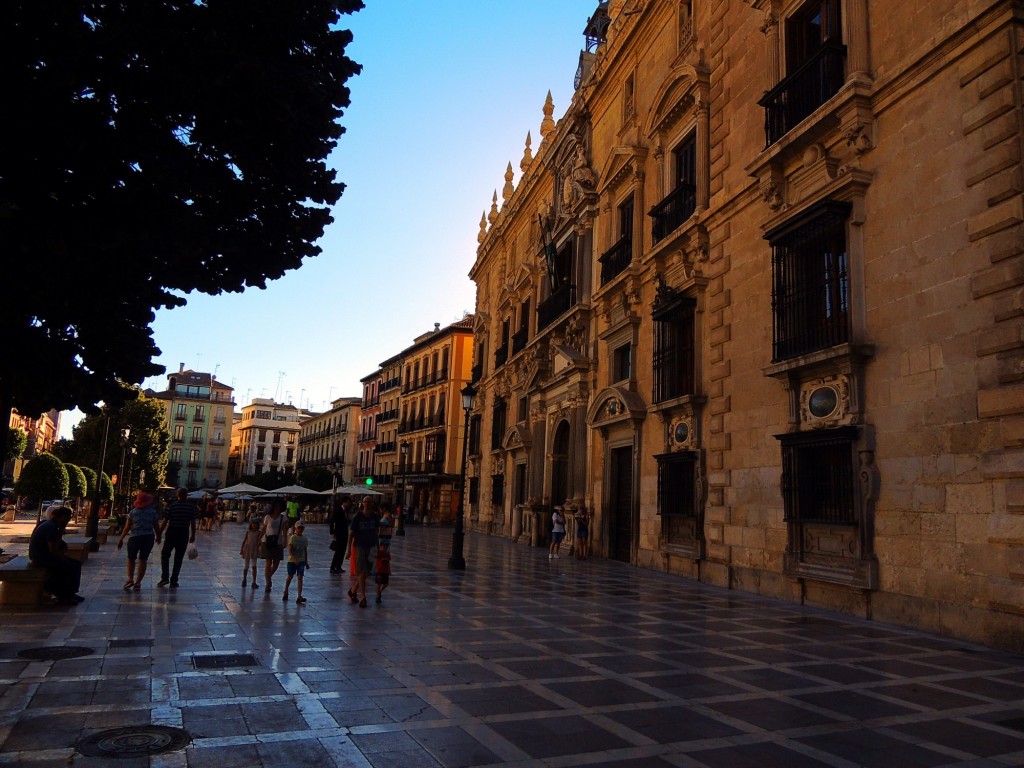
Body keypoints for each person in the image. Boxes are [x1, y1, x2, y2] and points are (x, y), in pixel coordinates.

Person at [29, 505, 83, 605]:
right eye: (67, 518)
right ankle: (63, 596)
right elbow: (53, 549)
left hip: (42, 556)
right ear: (62, 516)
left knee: (76, 564)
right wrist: (62, 558)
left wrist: (62, 529)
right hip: (41, 558)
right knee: (70, 566)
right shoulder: (51, 527)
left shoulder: (50, 524)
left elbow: (58, 543)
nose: (68, 520)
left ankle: (70, 593)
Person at [116, 491, 159, 591]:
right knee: (143, 560)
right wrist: (159, 536)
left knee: (131, 558)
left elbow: (127, 528)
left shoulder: (133, 512)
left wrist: (121, 539)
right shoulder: (153, 512)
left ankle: (130, 579)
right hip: (148, 538)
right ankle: (138, 583)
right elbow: (156, 526)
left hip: (134, 538)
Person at [157, 488, 198, 588]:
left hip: (171, 532)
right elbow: (193, 523)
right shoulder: (191, 507)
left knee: (165, 555)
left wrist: (159, 534)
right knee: (178, 558)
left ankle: (165, 578)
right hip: (183, 533)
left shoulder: (172, 506)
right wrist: (193, 535)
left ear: (177, 495)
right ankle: (174, 580)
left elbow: (165, 522)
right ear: (187, 495)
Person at [344, 497, 379, 607]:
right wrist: (349, 549)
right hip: (359, 546)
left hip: (371, 547)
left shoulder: (375, 517)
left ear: (372, 503)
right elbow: (351, 534)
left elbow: (376, 533)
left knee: (366, 572)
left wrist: (377, 547)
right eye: (365, 502)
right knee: (361, 571)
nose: (367, 503)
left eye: (369, 501)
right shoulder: (358, 517)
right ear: (362, 503)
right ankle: (363, 597)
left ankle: (353, 590)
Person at [259, 502, 286, 594]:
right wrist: (259, 538)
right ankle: (268, 583)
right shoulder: (267, 517)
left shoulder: (283, 517)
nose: (277, 508)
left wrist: (285, 540)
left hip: (278, 541)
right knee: (268, 561)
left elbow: (284, 529)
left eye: (279, 506)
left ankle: (268, 577)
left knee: (276, 561)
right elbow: (264, 528)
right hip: (267, 540)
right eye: (276, 506)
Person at [282, 521, 309, 604]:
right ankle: (286, 590)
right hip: (292, 561)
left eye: (301, 528)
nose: (300, 530)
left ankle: (299, 596)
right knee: (290, 576)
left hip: (301, 561)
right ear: (295, 529)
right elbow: (289, 550)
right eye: (298, 528)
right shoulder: (293, 538)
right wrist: (294, 559)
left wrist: (306, 562)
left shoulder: (304, 539)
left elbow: (305, 551)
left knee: (300, 577)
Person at [374, 505, 394, 604]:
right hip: (382, 536)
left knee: (385, 554)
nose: (381, 510)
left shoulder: (388, 515)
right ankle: (378, 595)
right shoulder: (383, 515)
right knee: (379, 582)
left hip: (386, 536)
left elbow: (391, 525)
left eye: (382, 508)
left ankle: (379, 593)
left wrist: (383, 524)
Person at [329, 495, 353, 573]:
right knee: (338, 551)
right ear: (344, 502)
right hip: (339, 533)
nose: (349, 504)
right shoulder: (338, 510)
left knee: (342, 551)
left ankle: (339, 566)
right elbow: (332, 521)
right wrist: (332, 532)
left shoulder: (346, 511)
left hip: (345, 533)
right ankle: (333, 567)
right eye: (348, 502)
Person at [239, 518, 261, 589]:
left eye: (256, 524)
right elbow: (244, 541)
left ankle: (254, 581)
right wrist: (241, 549)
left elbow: (259, 542)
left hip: (254, 549)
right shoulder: (248, 532)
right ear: (251, 525)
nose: (254, 525)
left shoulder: (259, 533)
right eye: (253, 524)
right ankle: (244, 579)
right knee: (246, 566)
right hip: (248, 549)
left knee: (254, 566)